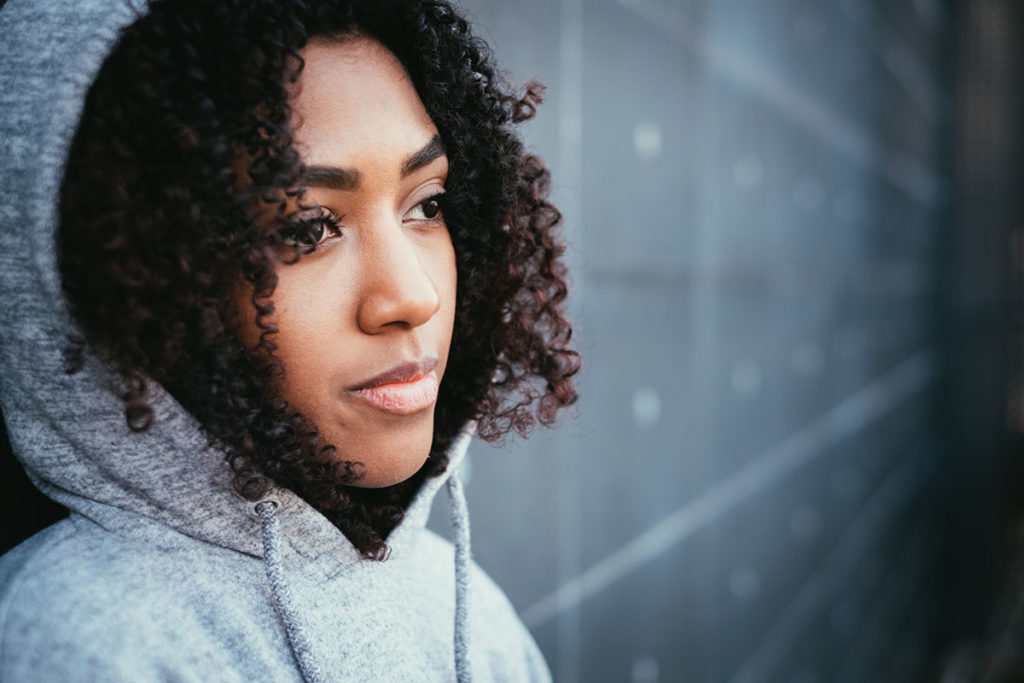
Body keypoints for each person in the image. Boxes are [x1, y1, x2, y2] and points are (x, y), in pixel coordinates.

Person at [0, 0, 578, 680]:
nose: (412, 296)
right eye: (308, 227)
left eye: (427, 204)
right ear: (153, 268)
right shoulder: (77, 643)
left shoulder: (474, 617)